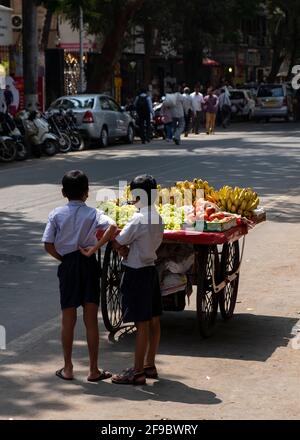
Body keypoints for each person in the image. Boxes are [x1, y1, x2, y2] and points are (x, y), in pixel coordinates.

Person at [81, 175, 164, 385]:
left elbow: (118, 240)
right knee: (153, 320)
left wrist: (118, 246)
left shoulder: (138, 219)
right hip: (150, 270)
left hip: (136, 272)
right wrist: (125, 248)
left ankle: (137, 371)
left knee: (142, 322)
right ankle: (149, 364)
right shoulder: (156, 216)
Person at [42, 170, 117, 382]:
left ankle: (68, 368)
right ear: (87, 192)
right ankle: (93, 370)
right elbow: (112, 226)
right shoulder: (93, 213)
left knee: (68, 319)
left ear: (63, 192)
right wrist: (94, 249)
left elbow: (47, 244)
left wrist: (64, 259)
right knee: (91, 320)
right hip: (88, 263)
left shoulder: (56, 214)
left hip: (68, 265)